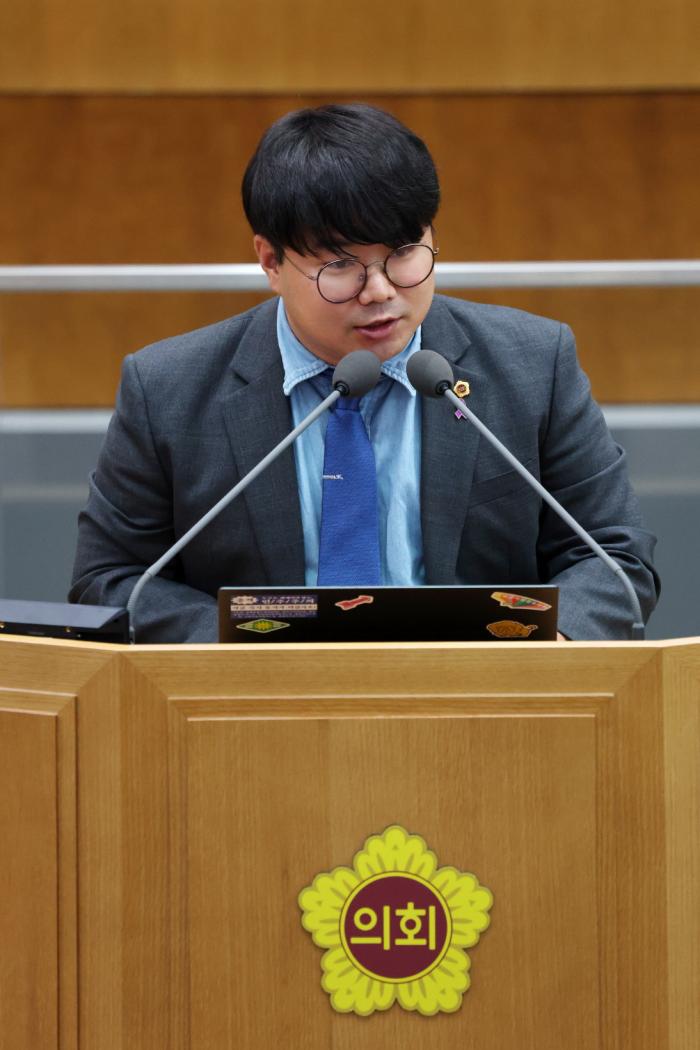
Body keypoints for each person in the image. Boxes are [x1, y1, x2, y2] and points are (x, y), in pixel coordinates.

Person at [69, 103, 659, 642]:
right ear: (270, 261)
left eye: (403, 252)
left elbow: (614, 556)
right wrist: (242, 648)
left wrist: (548, 644)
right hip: (259, 704)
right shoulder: (167, 389)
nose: (380, 291)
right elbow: (111, 579)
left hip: (480, 697)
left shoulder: (533, 363)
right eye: (341, 265)